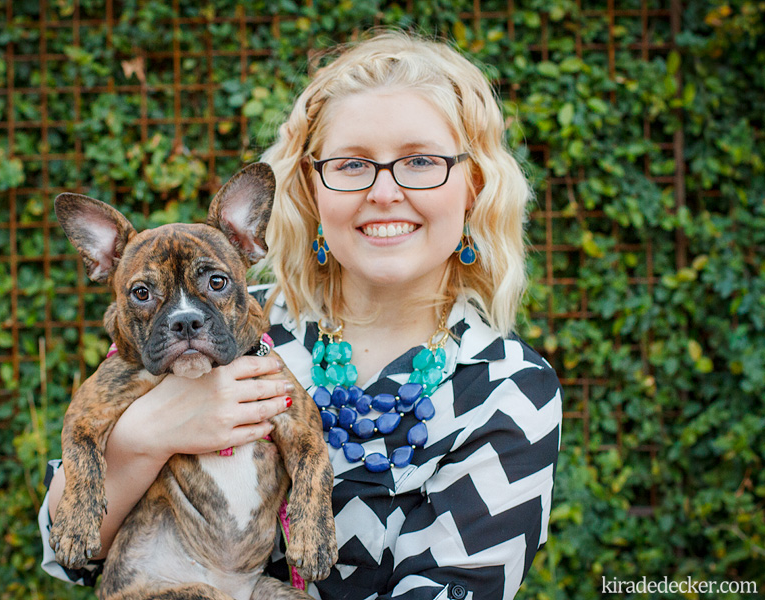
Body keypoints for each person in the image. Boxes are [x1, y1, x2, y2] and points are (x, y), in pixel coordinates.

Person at [39, 30, 562, 600]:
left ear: (473, 186)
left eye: (420, 160)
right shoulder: (237, 319)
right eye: (351, 163)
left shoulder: (508, 390)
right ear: (312, 189)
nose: (384, 191)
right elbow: (66, 549)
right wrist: (144, 438)